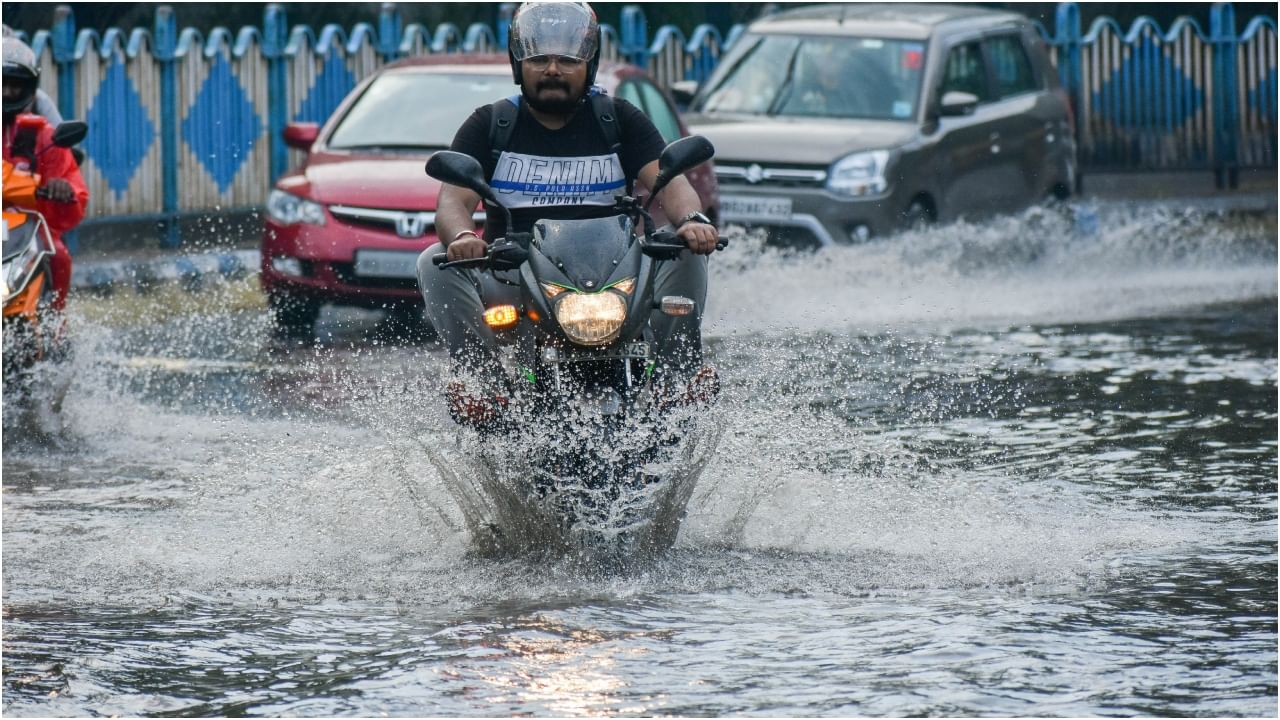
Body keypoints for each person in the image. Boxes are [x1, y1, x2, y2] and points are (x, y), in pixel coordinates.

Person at [418, 1, 718, 423]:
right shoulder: (490, 124)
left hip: (618, 280)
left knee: (685, 251)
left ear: (589, 65)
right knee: (433, 262)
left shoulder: (619, 120)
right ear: (518, 64)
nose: (553, 69)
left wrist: (691, 221)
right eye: (539, 59)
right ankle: (482, 385)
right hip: (514, 278)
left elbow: (670, 184)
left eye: (567, 60)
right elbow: (454, 201)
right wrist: (464, 238)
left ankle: (676, 381)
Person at [3, 37, 88, 311]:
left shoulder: (44, 135)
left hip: (23, 228)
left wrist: (64, 191)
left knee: (59, 254)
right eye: (1, 84)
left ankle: (54, 323)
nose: (6, 92)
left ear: (29, 88)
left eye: (14, 85)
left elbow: (74, 193)